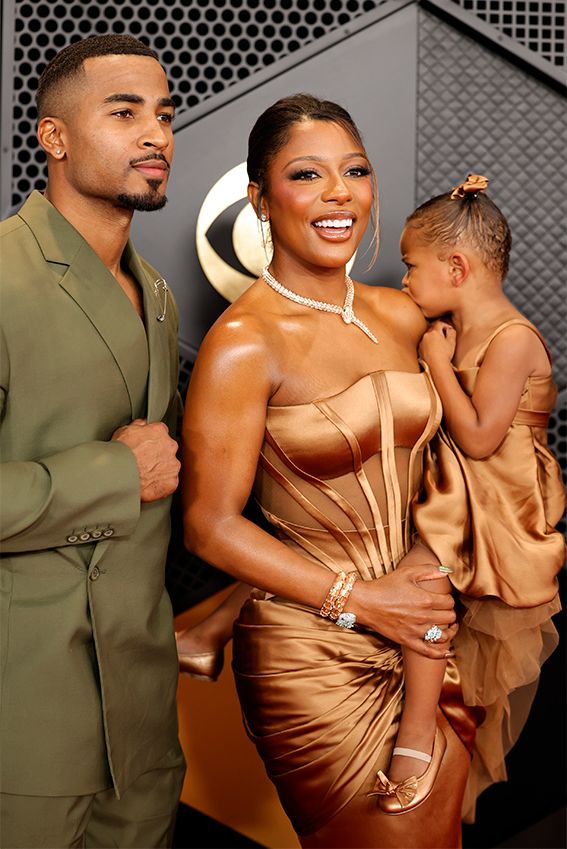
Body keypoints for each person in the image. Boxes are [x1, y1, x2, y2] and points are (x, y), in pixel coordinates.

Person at [180, 94, 478, 849]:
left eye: (355, 170)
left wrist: (419, 580)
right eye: (307, 174)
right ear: (259, 197)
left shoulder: (404, 316)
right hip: (312, 652)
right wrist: (363, 601)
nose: (339, 192)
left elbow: (472, 464)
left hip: (425, 633)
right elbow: (207, 526)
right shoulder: (242, 343)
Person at [0, 35, 185, 848]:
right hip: (24, 719)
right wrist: (116, 472)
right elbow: (136, 475)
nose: (157, 135)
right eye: (124, 112)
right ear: (55, 137)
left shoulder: (158, 296)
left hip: (142, 724)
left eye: (165, 114)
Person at [399, 174, 565, 819]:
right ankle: (218, 624)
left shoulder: (511, 337)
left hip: (501, 496)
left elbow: (478, 436)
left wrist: (436, 363)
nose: (407, 280)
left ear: (457, 266)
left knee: (418, 578)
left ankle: (417, 740)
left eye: (414, 267)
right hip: (458, 484)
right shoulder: (447, 328)